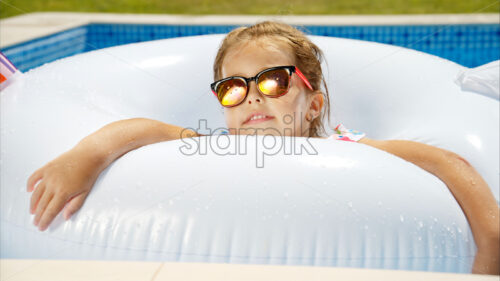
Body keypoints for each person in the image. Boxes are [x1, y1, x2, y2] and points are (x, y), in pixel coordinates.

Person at [26, 21, 499, 274]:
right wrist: (85, 156)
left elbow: (443, 161)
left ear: (313, 105)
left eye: (274, 81)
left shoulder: (352, 152)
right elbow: (145, 129)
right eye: (233, 87)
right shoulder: (220, 150)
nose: (252, 95)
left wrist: (491, 243)